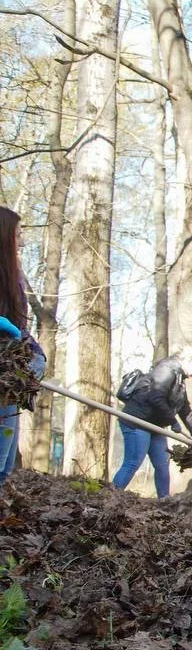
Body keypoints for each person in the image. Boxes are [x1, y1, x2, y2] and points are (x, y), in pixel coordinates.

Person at [111, 353, 192, 498]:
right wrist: (173, 421)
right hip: (137, 421)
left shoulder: (180, 381)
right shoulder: (166, 370)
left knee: (162, 464)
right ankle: (110, 497)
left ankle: (164, 502)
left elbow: (185, 409)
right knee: (133, 462)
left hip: (155, 426)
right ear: (187, 360)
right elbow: (156, 397)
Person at [0, 206, 46, 486]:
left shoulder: (13, 277)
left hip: (10, 378)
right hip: (3, 372)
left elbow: (21, 330)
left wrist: (36, 354)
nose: (23, 241)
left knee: (4, 466)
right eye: (18, 234)